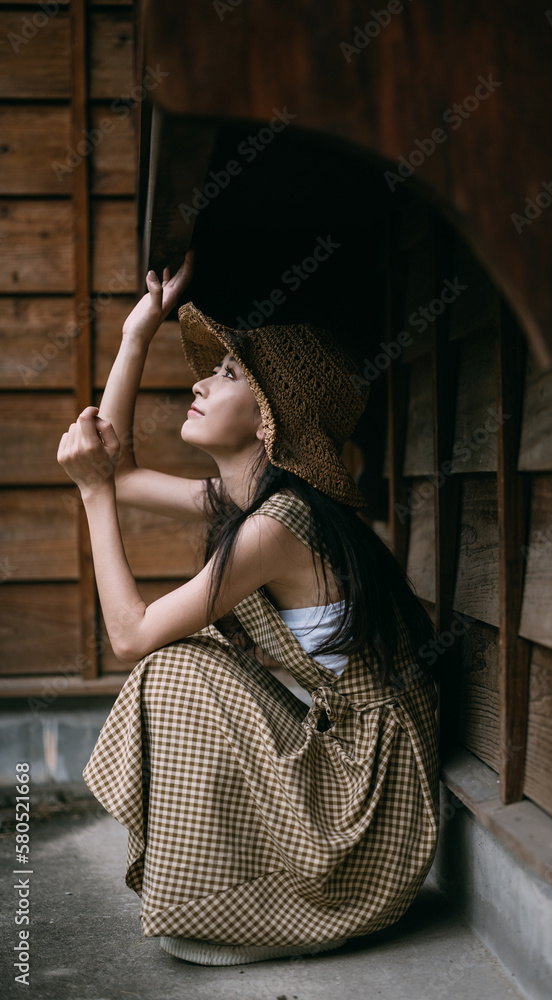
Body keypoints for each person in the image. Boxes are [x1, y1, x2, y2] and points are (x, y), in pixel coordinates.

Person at [57, 252, 441, 967]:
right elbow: (126, 471)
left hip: (372, 806)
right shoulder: (251, 504)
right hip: (351, 760)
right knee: (181, 664)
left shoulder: (280, 525)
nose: (200, 382)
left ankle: (268, 907)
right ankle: (229, 891)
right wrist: (138, 333)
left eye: (229, 374)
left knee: (172, 669)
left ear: (270, 419)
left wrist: (91, 496)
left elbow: (128, 633)